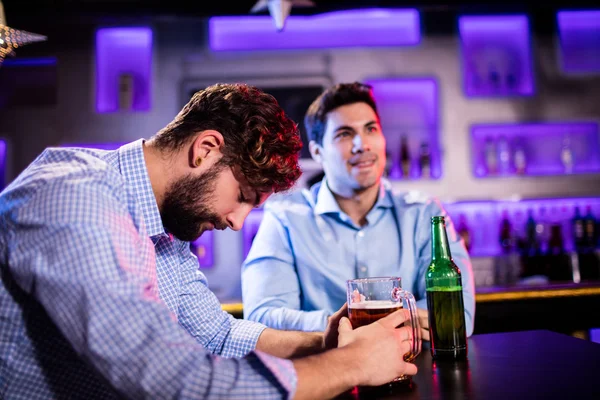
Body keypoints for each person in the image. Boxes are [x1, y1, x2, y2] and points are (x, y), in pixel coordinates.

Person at [0, 83, 418, 399]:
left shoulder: (164, 223)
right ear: (205, 150)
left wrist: (322, 342)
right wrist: (348, 365)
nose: (238, 223)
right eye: (242, 198)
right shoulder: (77, 202)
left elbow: (217, 335)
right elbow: (174, 379)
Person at [241, 82, 475, 338]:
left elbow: (457, 315)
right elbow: (262, 317)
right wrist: (381, 322)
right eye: (344, 134)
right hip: (326, 375)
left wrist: (345, 326)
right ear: (318, 152)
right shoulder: (285, 218)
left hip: (414, 372)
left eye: (370, 129)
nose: (362, 144)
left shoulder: (423, 213)